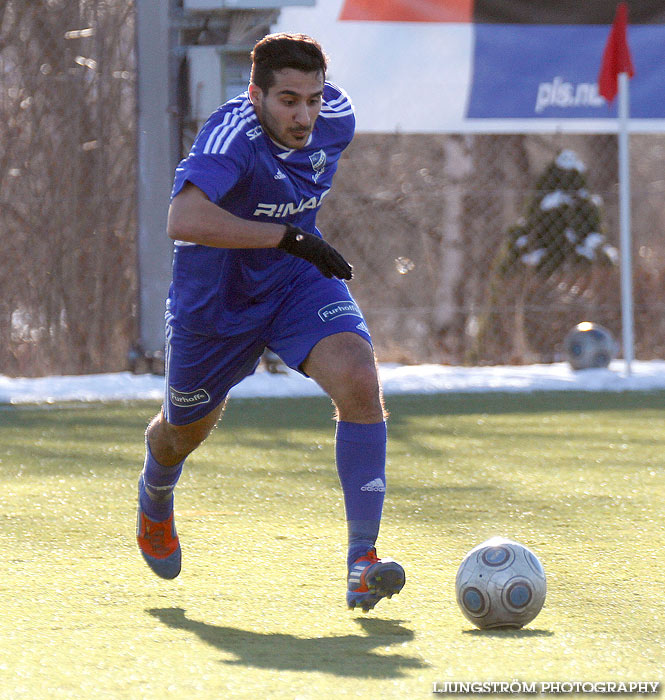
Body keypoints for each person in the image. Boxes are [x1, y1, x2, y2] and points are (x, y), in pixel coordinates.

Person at [136, 32, 405, 612]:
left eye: (312, 98)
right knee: (184, 432)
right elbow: (182, 218)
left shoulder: (338, 118)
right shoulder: (231, 133)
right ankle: (156, 492)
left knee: (359, 379)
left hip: (293, 280)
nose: (303, 114)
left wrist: (292, 246)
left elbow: (301, 178)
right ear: (254, 93)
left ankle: (364, 561)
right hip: (215, 301)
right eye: (287, 100)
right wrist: (287, 233)